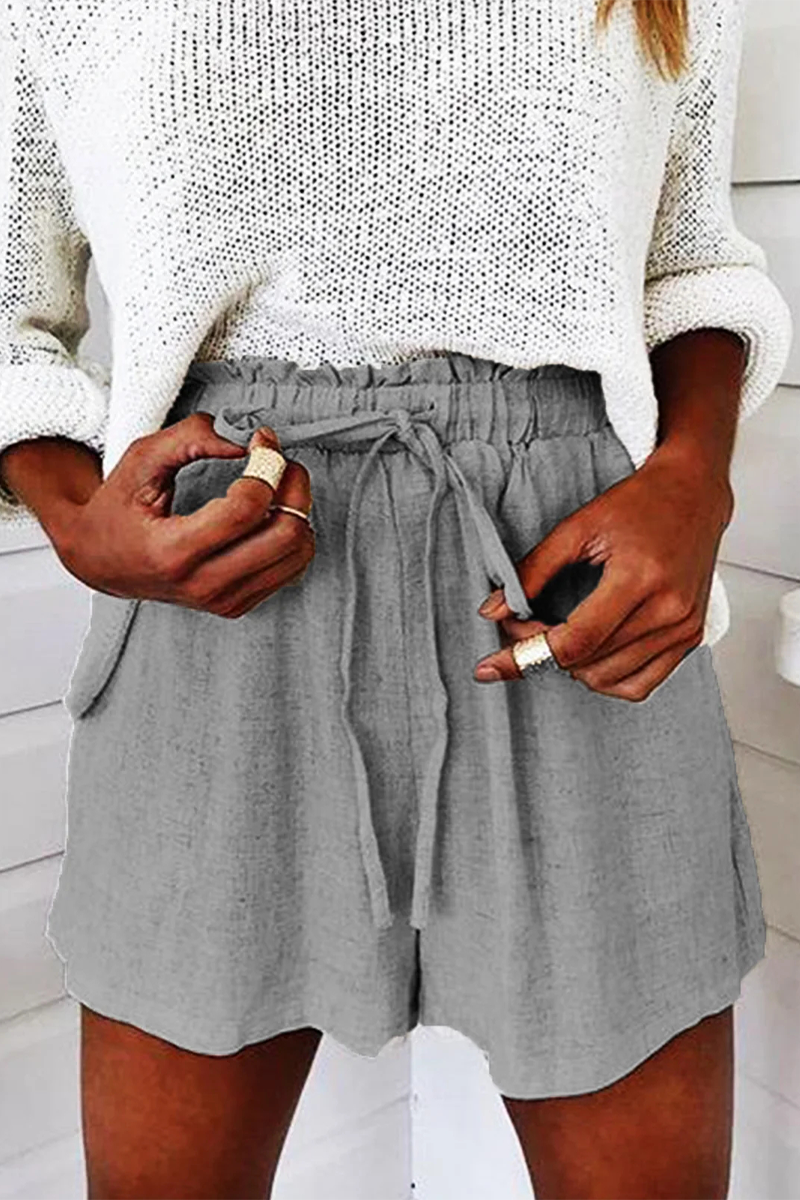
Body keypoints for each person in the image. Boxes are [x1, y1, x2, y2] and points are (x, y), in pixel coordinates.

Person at [0, 0, 792, 1196]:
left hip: (565, 591)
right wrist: (75, 517)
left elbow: (689, 266)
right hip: (226, 582)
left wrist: (692, 478)